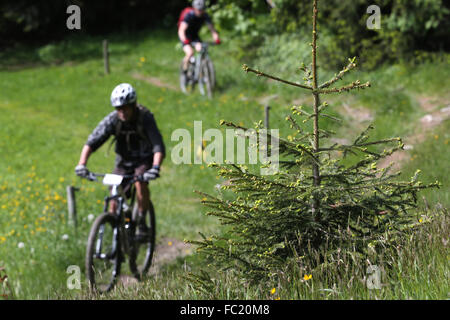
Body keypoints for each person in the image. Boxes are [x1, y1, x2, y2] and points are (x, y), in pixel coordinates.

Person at [75, 83, 165, 237]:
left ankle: (142, 222)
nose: (121, 112)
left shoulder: (145, 118)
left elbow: (158, 146)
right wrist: (81, 164)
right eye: (118, 109)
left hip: (143, 160)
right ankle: (117, 235)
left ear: (133, 105)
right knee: (114, 193)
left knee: (140, 182)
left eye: (124, 108)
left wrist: (155, 167)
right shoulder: (113, 120)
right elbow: (92, 141)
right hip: (124, 162)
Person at [178, 0, 221, 73]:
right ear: (194, 8)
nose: (200, 11)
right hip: (185, 36)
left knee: (200, 49)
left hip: (194, 36)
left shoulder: (205, 16)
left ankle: (200, 68)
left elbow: (212, 29)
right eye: (198, 10)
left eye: (202, 9)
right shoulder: (189, 16)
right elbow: (181, 31)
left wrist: (216, 38)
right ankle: (184, 69)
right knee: (190, 52)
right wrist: (185, 40)